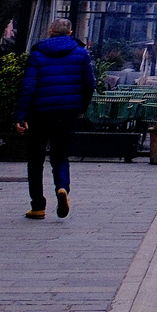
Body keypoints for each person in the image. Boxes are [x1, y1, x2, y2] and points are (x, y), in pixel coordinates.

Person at [13, 17, 95, 220]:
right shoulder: (80, 53)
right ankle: (62, 187)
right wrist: (81, 107)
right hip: (67, 112)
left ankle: (38, 206)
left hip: (39, 112)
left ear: (50, 31)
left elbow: (28, 86)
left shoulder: (38, 52)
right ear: (70, 32)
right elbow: (89, 84)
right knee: (60, 155)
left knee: (35, 159)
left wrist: (21, 115)